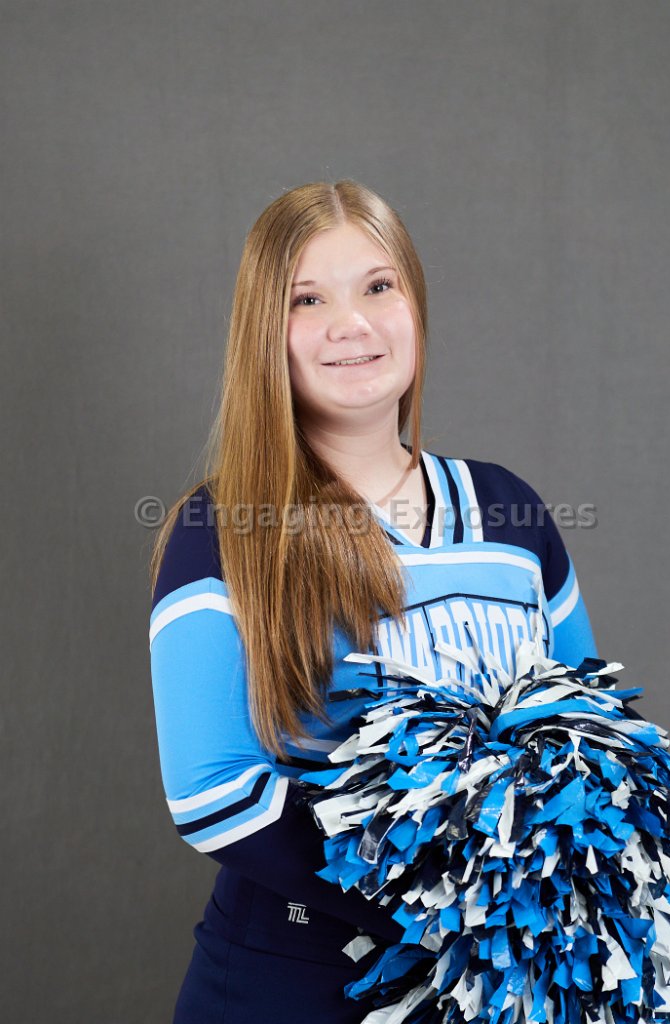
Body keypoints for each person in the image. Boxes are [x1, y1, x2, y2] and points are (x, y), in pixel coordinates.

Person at [147, 179, 597, 1023]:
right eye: (307, 299)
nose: (350, 323)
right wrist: (450, 906)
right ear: (263, 332)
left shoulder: (508, 509)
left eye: (378, 286)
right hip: (299, 978)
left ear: (414, 305)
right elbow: (212, 792)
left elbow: (588, 730)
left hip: (495, 986)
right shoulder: (223, 528)